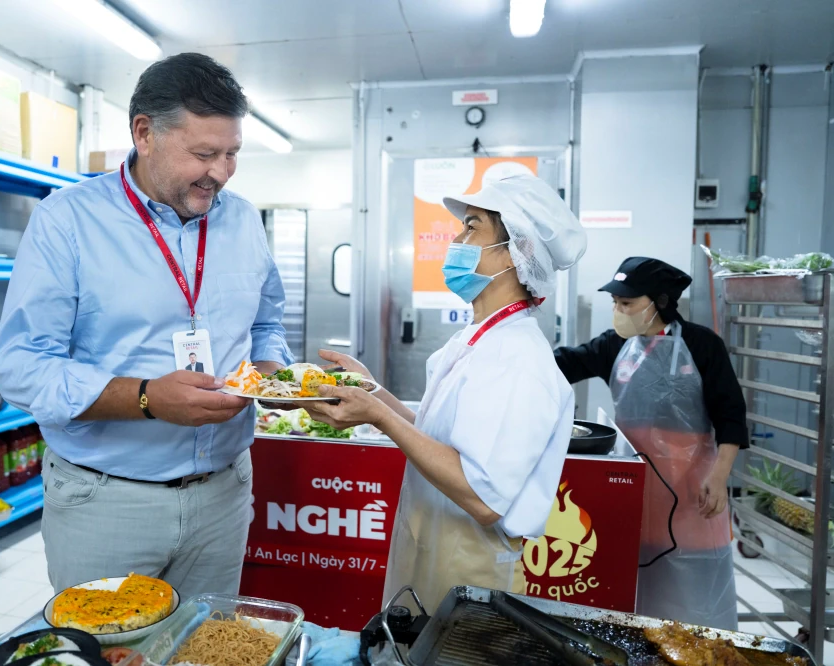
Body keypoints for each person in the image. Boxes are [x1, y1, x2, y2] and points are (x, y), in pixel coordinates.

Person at [0, 53, 293, 596]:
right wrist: (147, 398)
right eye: (204, 154)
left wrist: (271, 377)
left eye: (232, 154)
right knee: (109, 642)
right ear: (145, 133)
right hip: (108, 500)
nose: (221, 173)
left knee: (209, 639)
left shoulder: (244, 219)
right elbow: (22, 365)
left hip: (224, 493)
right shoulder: (67, 220)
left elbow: (267, 324)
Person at [304, 174, 587, 609]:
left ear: (519, 250)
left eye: (472, 227)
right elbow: (437, 438)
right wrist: (372, 392)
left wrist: (378, 416)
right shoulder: (476, 338)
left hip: (471, 565)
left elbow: (483, 496)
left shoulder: (519, 358)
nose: (456, 240)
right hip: (432, 545)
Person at [553, 257, 746, 630]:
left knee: (692, 590)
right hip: (636, 488)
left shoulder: (702, 345)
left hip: (692, 490)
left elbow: (731, 416)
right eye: (615, 303)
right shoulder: (615, 345)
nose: (618, 311)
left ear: (659, 302)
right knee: (633, 582)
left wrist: (720, 476)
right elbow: (568, 363)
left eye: (627, 303)